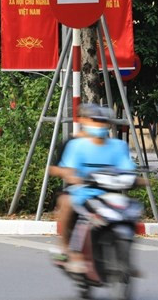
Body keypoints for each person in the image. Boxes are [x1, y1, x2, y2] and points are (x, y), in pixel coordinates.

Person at [50, 103, 137, 272]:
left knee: (130, 211)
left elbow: (126, 168)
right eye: (95, 120)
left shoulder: (117, 146)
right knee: (66, 203)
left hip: (108, 191)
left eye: (103, 121)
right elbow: (58, 167)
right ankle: (68, 248)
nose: (100, 124)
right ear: (83, 120)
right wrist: (69, 174)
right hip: (79, 190)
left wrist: (135, 179)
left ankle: (124, 257)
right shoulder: (73, 144)